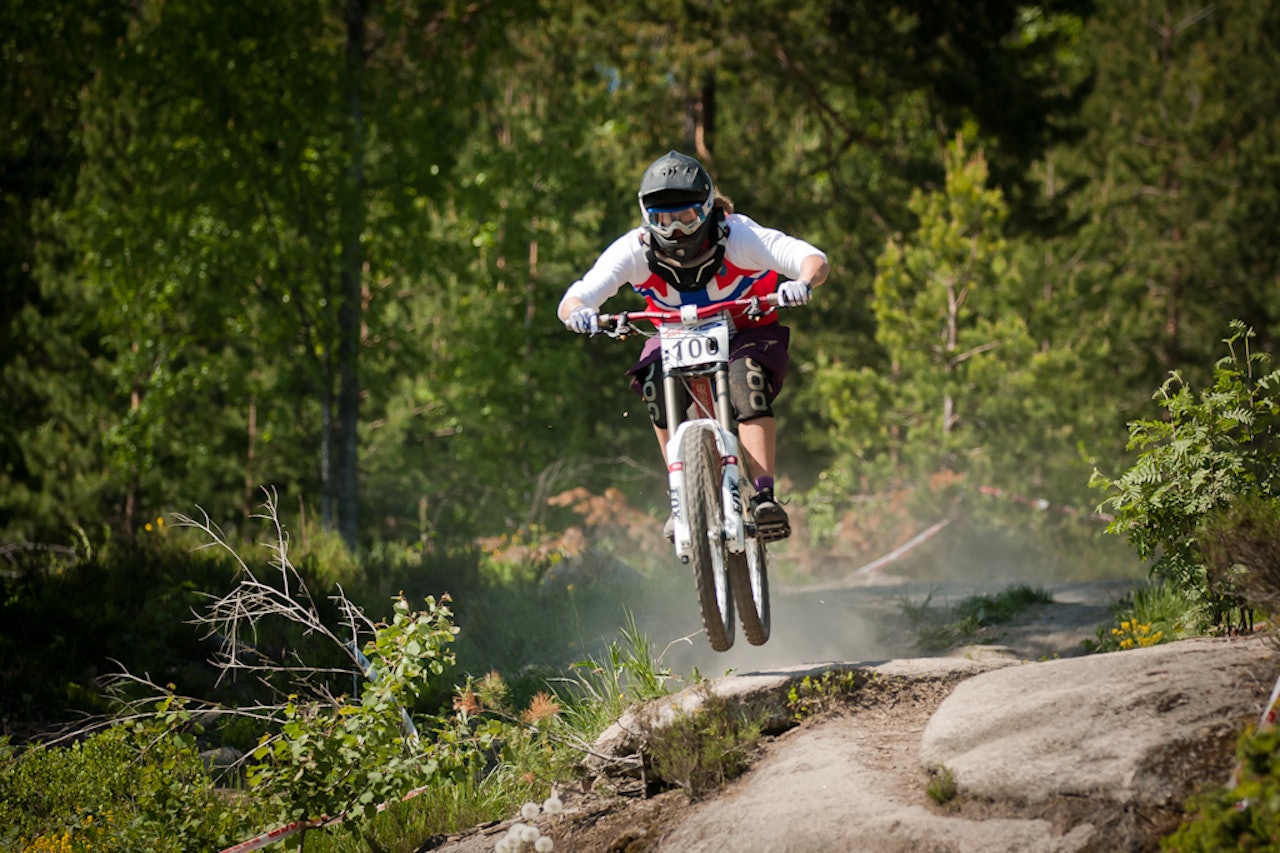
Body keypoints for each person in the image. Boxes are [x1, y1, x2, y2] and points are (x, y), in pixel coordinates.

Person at [557, 150, 828, 542]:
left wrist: (801, 282)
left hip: (744, 330)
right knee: (652, 382)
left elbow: (810, 258)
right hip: (672, 336)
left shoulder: (738, 234)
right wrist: (579, 312)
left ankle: (764, 496)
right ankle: (681, 494)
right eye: (663, 219)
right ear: (646, 216)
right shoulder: (634, 249)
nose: (676, 230)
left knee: (746, 383)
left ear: (706, 209)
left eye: (686, 217)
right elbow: (577, 295)